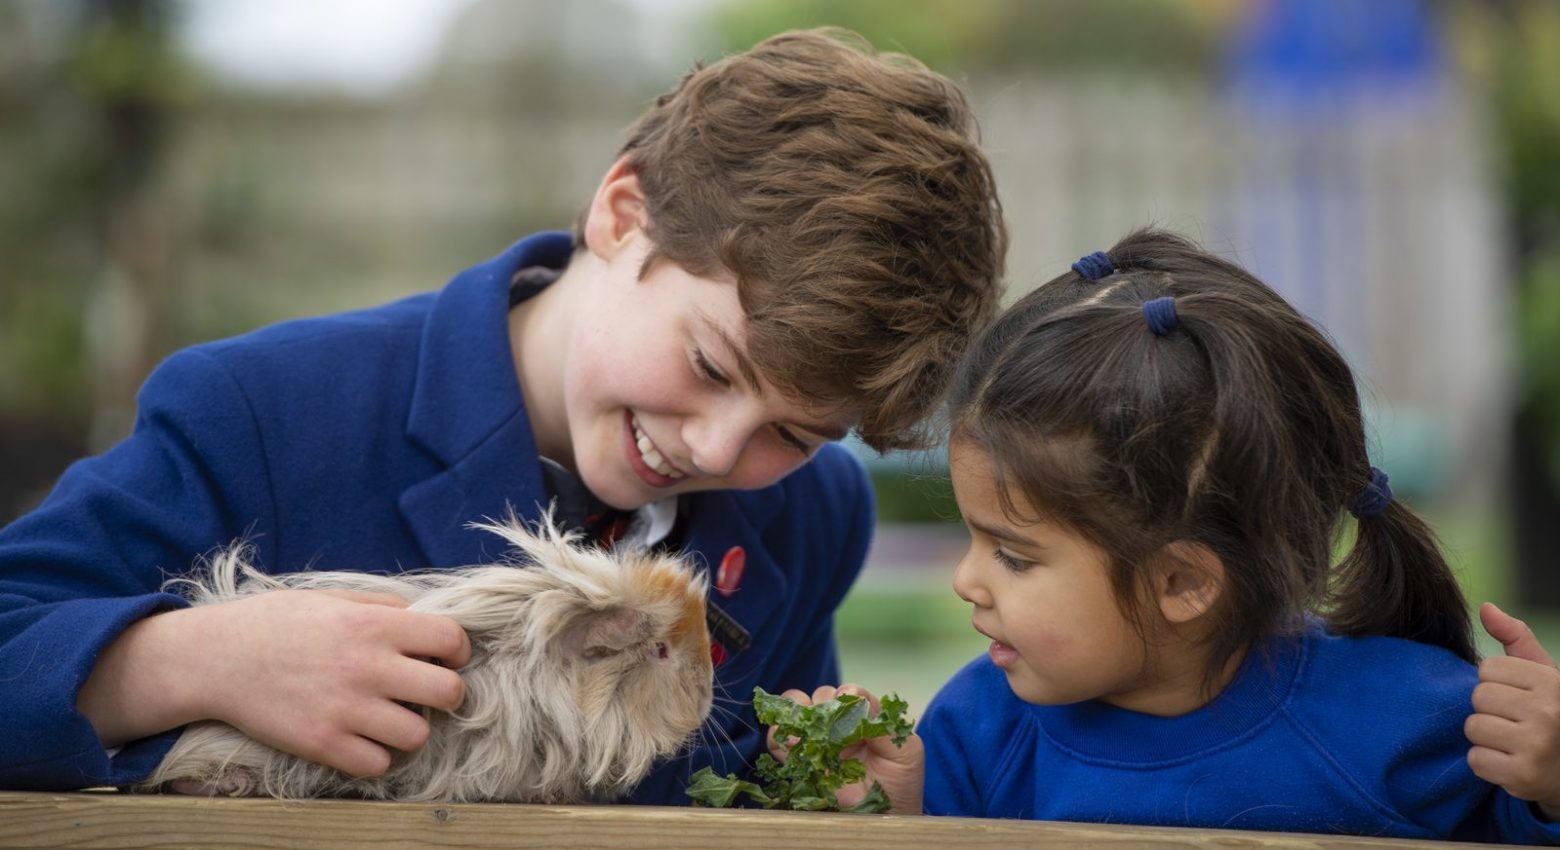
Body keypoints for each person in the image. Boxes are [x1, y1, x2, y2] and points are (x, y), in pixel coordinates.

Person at [0, 27, 1007, 800]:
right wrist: (193, 660)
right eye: (708, 362)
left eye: (794, 432)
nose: (714, 443)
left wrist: (839, 786)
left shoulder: (814, 515)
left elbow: (733, 785)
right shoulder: (257, 410)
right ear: (622, 213)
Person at [777, 229, 1560, 842]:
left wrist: (1550, 776)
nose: (967, 581)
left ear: (1182, 583)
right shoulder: (979, 731)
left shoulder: (1403, 718)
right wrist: (894, 815)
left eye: (1013, 555)